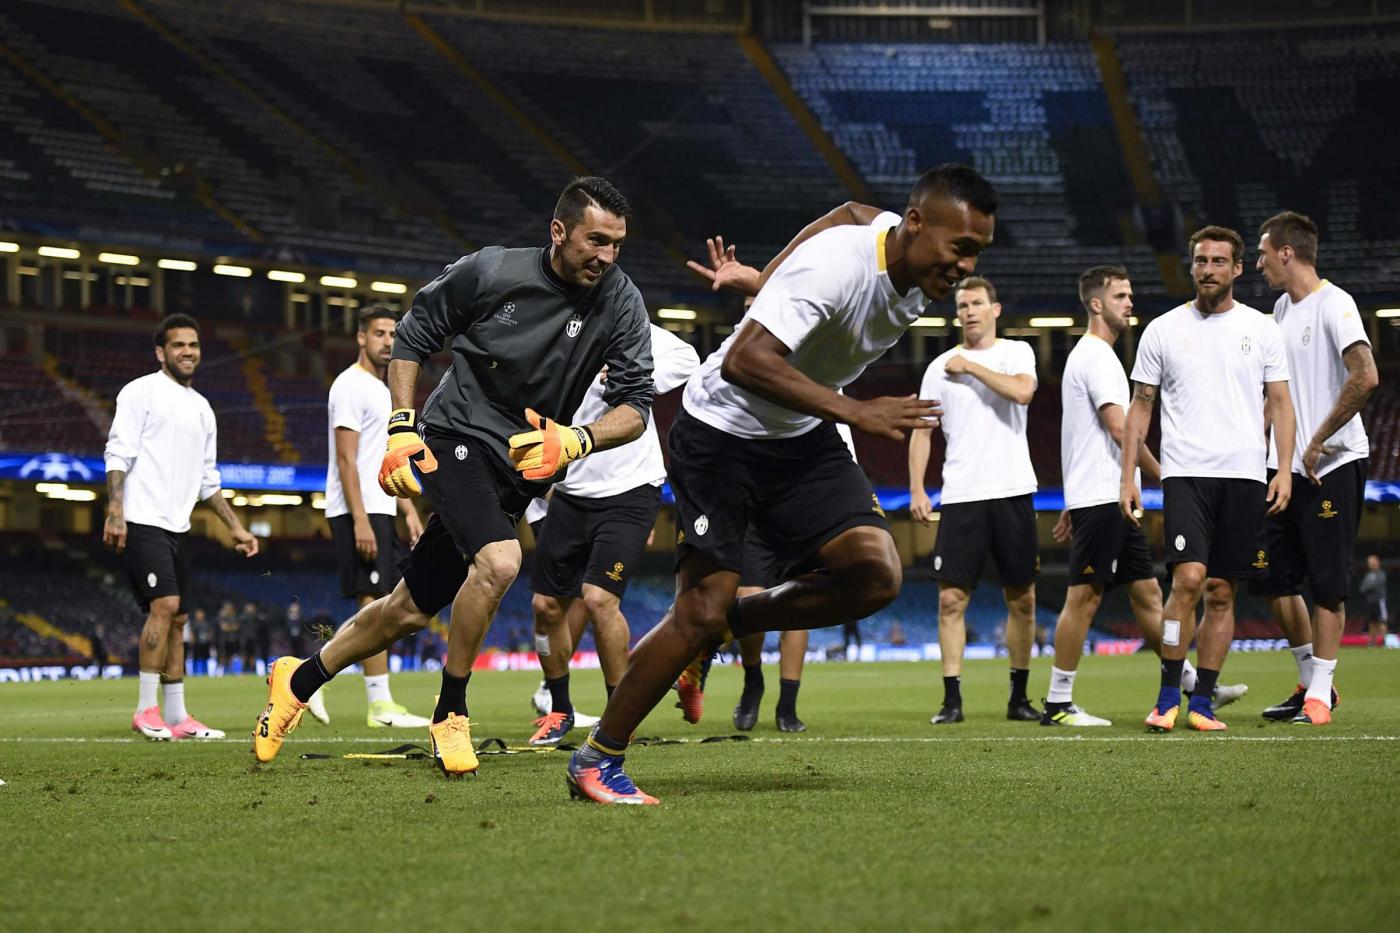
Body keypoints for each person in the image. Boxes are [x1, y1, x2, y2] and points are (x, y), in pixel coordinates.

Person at [566, 163, 997, 805]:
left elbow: (852, 208)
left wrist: (766, 282)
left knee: (876, 574)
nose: (964, 267)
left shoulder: (903, 257)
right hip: (718, 434)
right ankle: (597, 758)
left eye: (977, 254)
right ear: (915, 224)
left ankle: (728, 622)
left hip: (796, 437)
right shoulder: (838, 270)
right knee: (698, 609)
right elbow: (744, 361)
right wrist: (858, 410)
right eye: (960, 248)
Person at [252, 176, 655, 777]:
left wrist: (579, 438)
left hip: (520, 469)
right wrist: (400, 426)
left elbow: (636, 405)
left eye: (617, 244)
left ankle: (299, 678)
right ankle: (451, 711)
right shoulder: (492, 272)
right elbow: (415, 332)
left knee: (406, 611)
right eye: (595, 240)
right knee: (499, 562)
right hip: (454, 436)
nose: (606, 256)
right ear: (559, 231)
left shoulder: (621, 300)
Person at [1041, 266, 1245, 726]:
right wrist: (1167, 475)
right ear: (1096, 304)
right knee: (1084, 598)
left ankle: (1189, 681)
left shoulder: (1097, 357)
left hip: (1104, 496)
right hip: (1104, 495)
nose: (1130, 302)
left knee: (1150, 596)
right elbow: (1120, 430)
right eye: (1120, 295)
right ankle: (1058, 702)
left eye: (1131, 294)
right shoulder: (1097, 358)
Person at [1122, 225, 1295, 733]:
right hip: (1186, 474)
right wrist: (1129, 474)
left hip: (1243, 474)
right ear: (1191, 265)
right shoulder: (1162, 329)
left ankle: (1203, 705)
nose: (1208, 270)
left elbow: (1281, 404)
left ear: (1237, 269)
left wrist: (1283, 470)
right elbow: (1140, 408)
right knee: (1189, 580)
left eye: (1219, 261)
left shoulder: (1262, 330)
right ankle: (1167, 695)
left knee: (1222, 591)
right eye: (1201, 261)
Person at [525, 323, 699, 746]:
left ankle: (619, 714)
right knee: (546, 605)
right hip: (570, 487)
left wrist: (634, 374)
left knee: (599, 599)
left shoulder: (632, 326)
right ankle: (560, 709)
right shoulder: (550, 326)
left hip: (630, 487)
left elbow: (688, 359)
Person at [104, 313, 259, 740]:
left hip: (179, 524)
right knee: (166, 606)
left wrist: (236, 528)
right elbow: (118, 454)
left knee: (180, 618)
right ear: (161, 352)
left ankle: (177, 716)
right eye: (178, 345)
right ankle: (145, 709)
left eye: (193, 345)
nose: (187, 351)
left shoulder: (203, 409)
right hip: (142, 518)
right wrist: (115, 512)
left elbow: (209, 480)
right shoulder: (140, 392)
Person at [1251, 211, 1377, 724]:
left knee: (1327, 583)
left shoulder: (1336, 302)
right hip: (1282, 470)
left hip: (1332, 466)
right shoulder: (1280, 309)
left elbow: (1365, 375)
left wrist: (1320, 439)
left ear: (1286, 252)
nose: (1257, 263)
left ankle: (1320, 694)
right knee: (1274, 579)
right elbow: (1277, 394)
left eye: (1262, 253)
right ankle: (1309, 680)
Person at [910, 276, 1040, 724]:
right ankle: (951, 700)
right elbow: (921, 432)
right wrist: (916, 488)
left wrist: (971, 368)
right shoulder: (938, 367)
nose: (968, 310)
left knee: (1022, 599)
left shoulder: (1015, 354)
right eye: (962, 304)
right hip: (962, 495)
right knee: (950, 601)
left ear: (994, 310)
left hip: (1012, 491)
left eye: (976, 303)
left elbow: (1023, 391)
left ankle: (1018, 697)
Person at [311, 305, 431, 729]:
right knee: (377, 603)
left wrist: (409, 511)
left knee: (380, 602)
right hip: (355, 508)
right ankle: (378, 704)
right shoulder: (349, 385)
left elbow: (387, 460)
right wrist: (360, 519)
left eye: (393, 334)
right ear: (361, 338)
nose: (387, 341)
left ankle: (312, 676)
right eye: (379, 333)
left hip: (381, 506)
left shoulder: (384, 391)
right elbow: (346, 460)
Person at [1360, 555, 1389, 647]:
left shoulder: (1381, 574)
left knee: (1382, 621)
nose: (1371, 564)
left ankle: (1384, 641)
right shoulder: (1368, 575)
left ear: (1377, 563)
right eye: (1369, 562)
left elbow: (1376, 585)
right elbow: (1362, 588)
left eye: (1372, 562)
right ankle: (1372, 642)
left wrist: (1369, 586)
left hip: (1379, 602)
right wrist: (1370, 586)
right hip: (1370, 602)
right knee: (1372, 622)